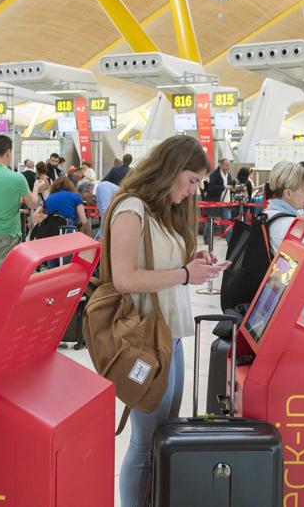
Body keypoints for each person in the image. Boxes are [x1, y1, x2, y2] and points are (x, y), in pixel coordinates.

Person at [100, 135, 224, 507]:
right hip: (144, 339)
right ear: (170, 170)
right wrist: (185, 274)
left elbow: (166, 265)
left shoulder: (160, 212)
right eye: (190, 180)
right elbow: (124, 279)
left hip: (171, 335)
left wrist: (194, 263)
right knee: (144, 439)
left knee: (164, 434)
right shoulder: (131, 209)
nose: (191, 191)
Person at [0, 135, 41, 289]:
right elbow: (33, 203)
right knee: (5, 281)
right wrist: (37, 188)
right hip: (6, 234)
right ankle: (2, 312)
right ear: (8, 152)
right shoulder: (16, 178)